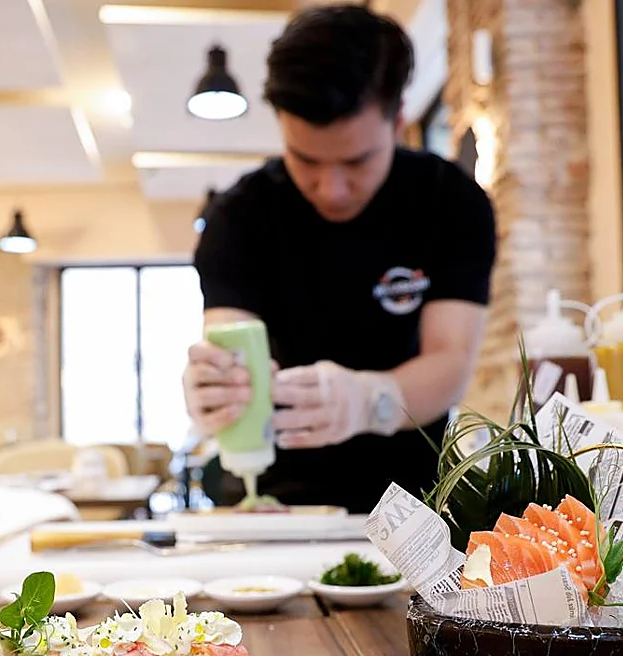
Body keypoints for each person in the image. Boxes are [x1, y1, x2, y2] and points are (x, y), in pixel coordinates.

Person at [182, 3, 497, 514]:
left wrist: (366, 399)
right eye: (305, 159)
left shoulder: (450, 203)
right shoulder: (238, 217)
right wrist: (215, 387)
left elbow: (450, 362)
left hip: (414, 503)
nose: (330, 189)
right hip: (271, 498)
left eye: (356, 161)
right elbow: (231, 343)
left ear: (398, 122)